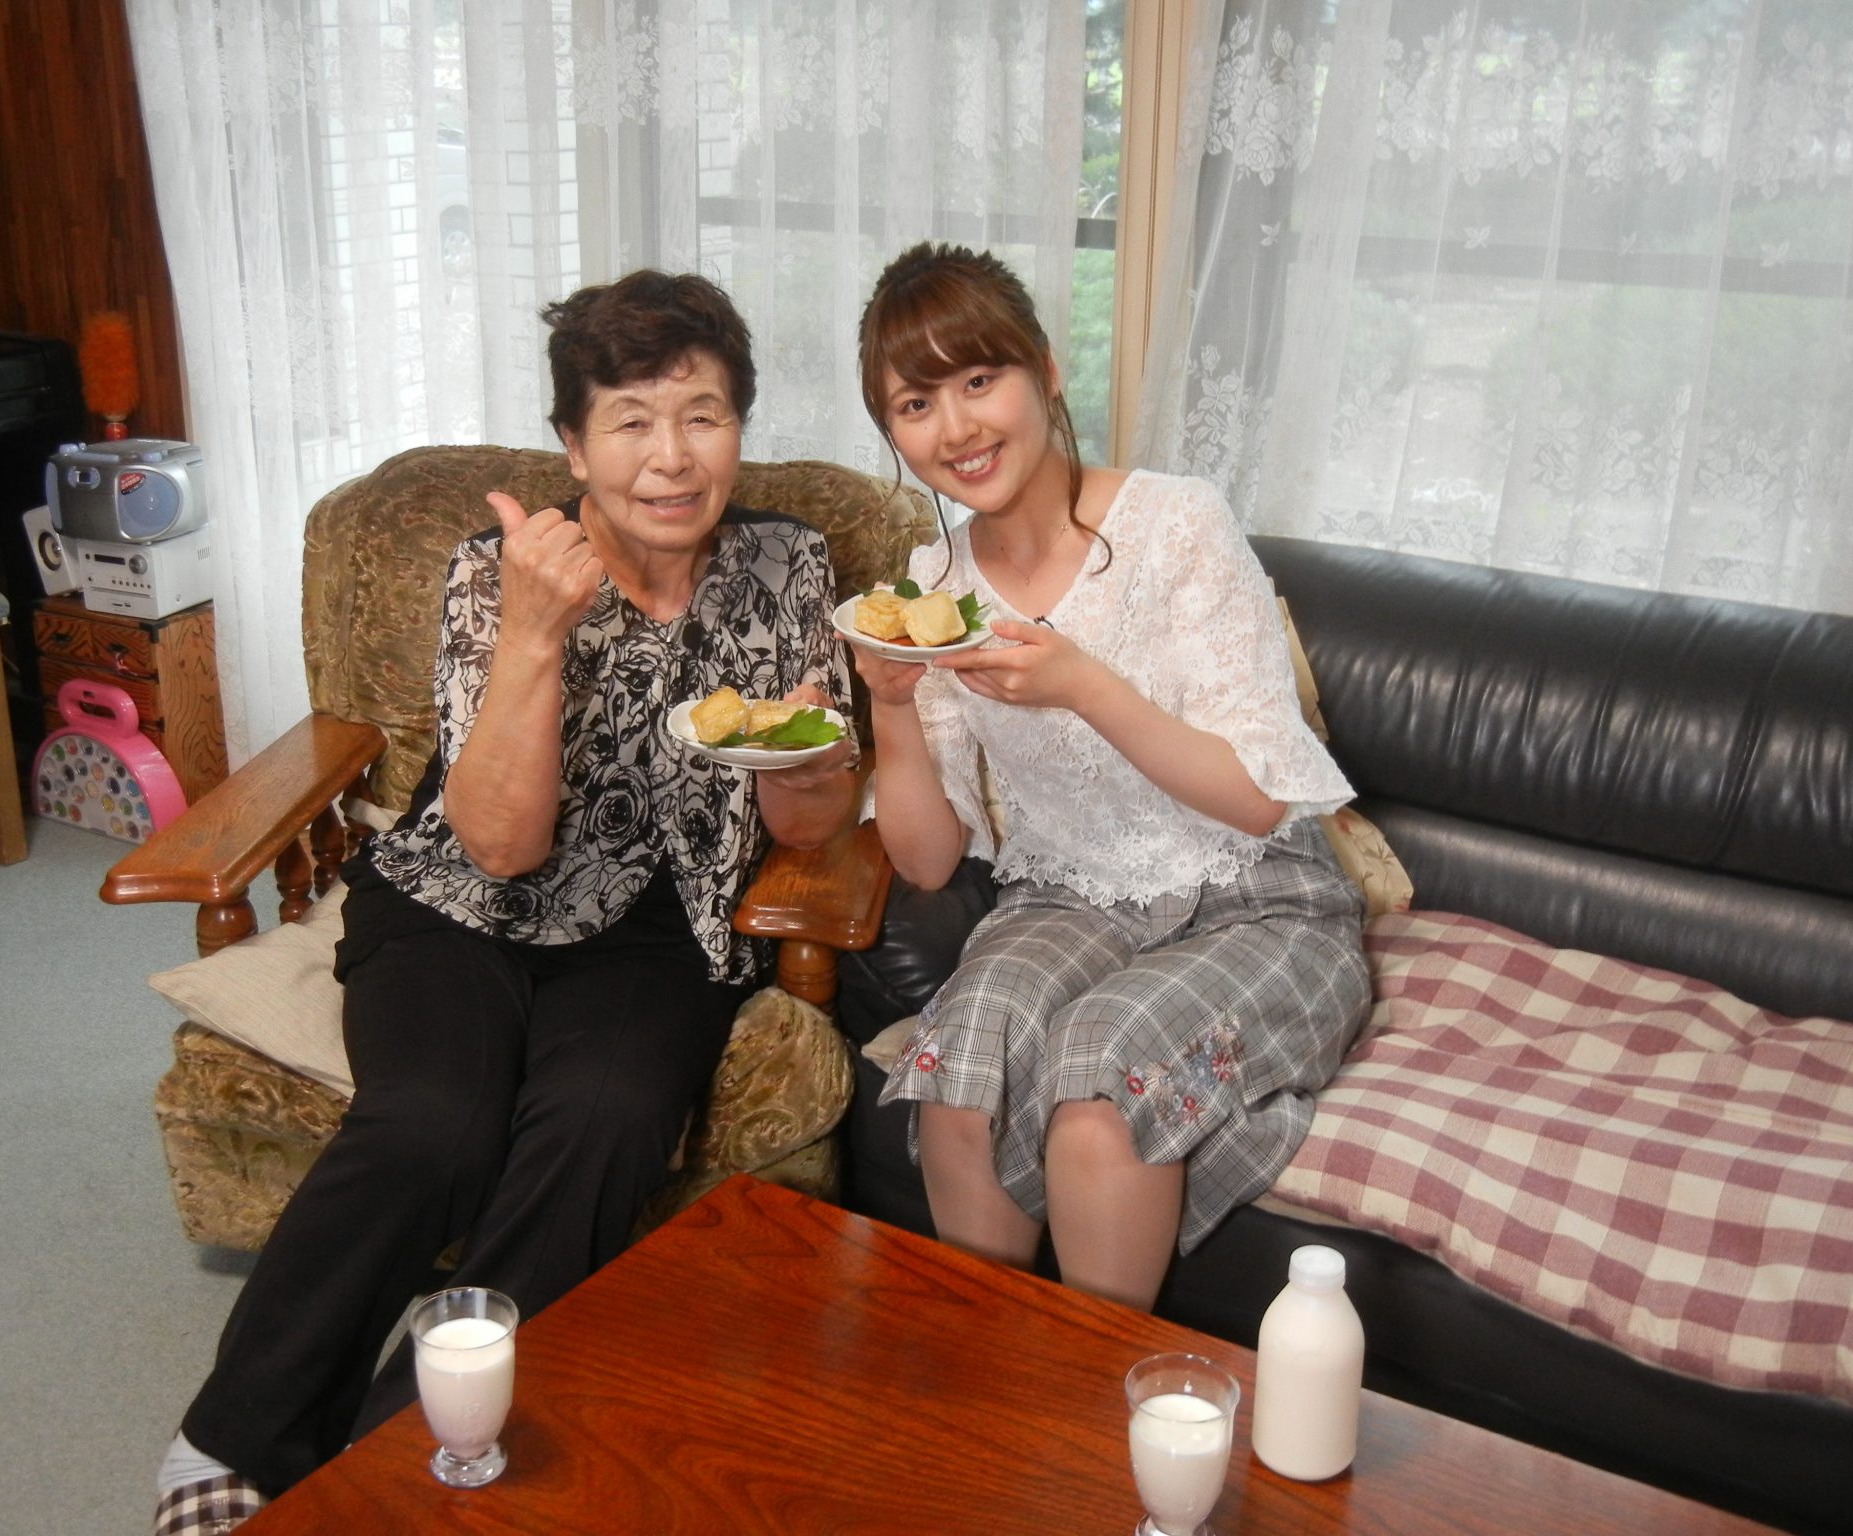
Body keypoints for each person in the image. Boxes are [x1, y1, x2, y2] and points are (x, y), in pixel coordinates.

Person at [153, 269, 855, 1534]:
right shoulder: (501, 570)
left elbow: (806, 824)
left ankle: (408, 1450)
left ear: (737, 429)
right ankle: (234, 1434)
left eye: (701, 415)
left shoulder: (786, 564)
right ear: (573, 446)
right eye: (629, 420)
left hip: (664, 926)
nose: (670, 456)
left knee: (604, 1119)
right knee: (435, 1122)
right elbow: (500, 843)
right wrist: (535, 635)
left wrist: (807, 760)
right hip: (458, 901)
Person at [849, 242, 1371, 1314]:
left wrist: (1085, 685)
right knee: (958, 1078)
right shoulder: (931, 585)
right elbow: (928, 859)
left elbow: (1259, 799)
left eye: (978, 379)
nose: (955, 428)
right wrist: (891, 706)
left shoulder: (1177, 524)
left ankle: (1094, 1404)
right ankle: (990, 1387)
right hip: (1069, 899)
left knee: (1096, 1086)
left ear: (1045, 370)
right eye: (915, 404)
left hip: (1259, 897)